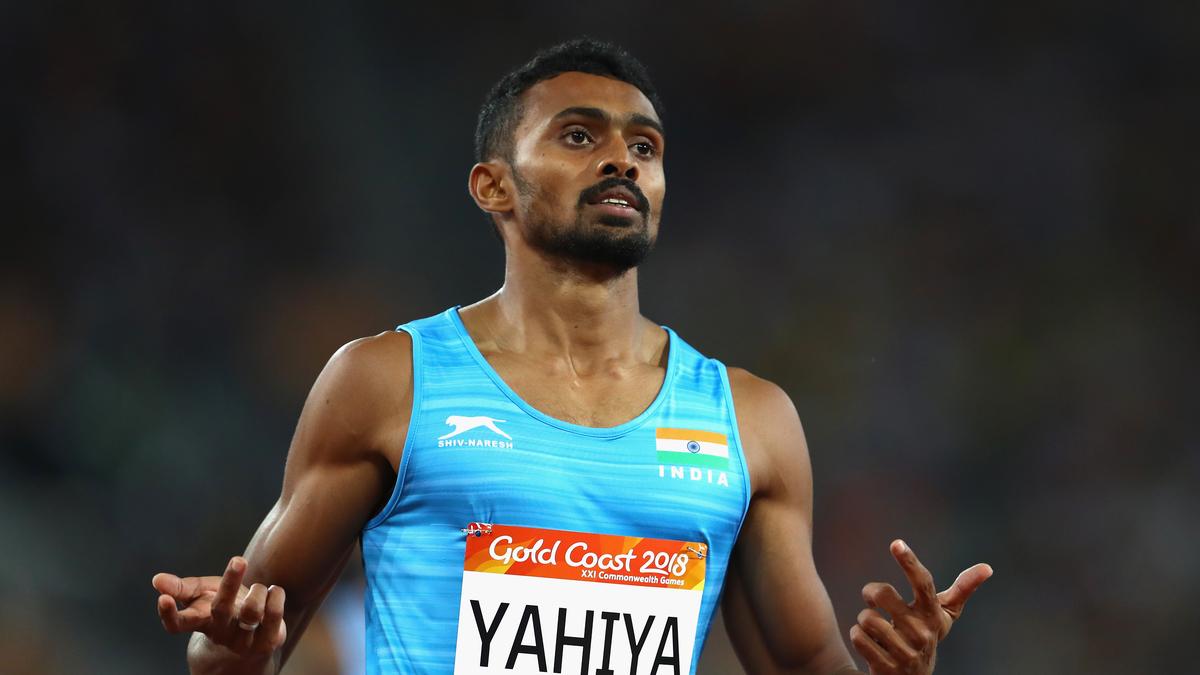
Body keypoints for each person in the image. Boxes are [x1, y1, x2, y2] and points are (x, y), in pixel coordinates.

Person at [152, 38, 992, 675]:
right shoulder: (388, 382)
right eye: (580, 135)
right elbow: (235, 649)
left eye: (645, 147)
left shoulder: (751, 420)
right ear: (494, 186)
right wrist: (234, 648)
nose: (622, 158)